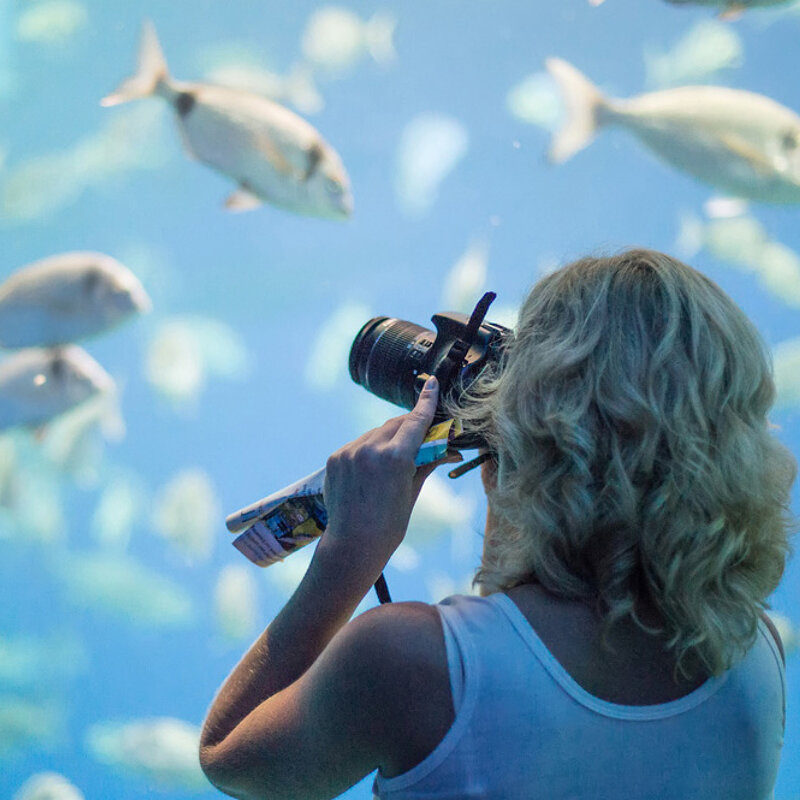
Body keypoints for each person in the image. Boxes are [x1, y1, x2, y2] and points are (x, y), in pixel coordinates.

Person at [198, 249, 795, 800]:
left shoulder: (410, 659)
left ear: (536, 424)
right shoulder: (755, 658)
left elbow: (230, 759)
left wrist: (349, 554)